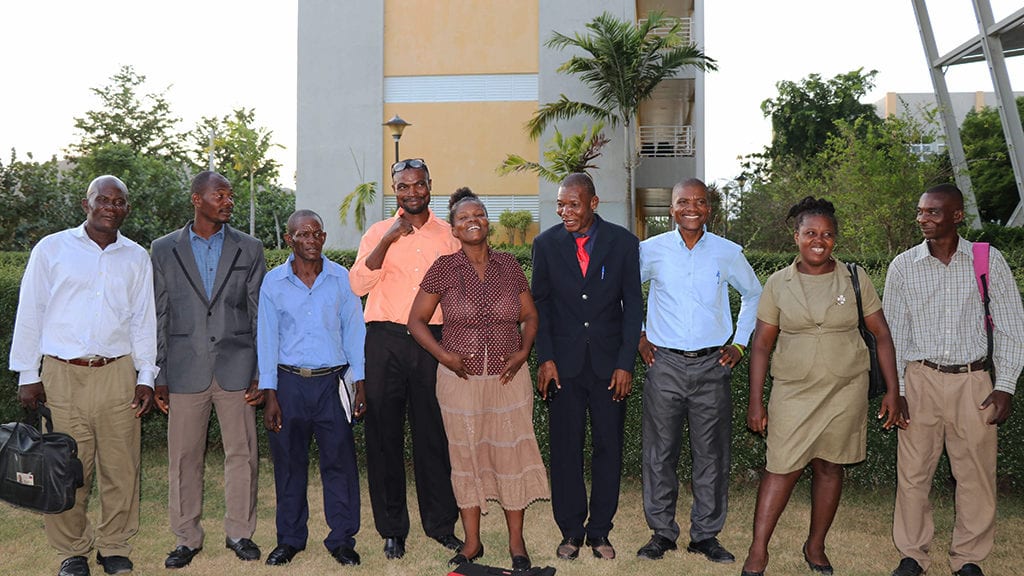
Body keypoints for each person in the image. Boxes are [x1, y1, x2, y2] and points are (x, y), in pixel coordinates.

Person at [740, 196, 903, 576]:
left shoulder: (855, 278)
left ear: (835, 239)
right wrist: (756, 402)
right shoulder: (778, 283)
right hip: (793, 392)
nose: (819, 240)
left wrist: (895, 391)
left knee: (830, 467)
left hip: (845, 390)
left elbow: (881, 335)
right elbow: (762, 344)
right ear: (795, 236)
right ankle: (758, 551)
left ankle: (815, 546)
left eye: (827, 234)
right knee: (780, 468)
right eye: (810, 233)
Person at [9, 175, 157, 576]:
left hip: (118, 374)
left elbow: (144, 320)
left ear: (127, 208)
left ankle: (114, 546)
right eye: (103, 200)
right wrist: (27, 372)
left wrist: (146, 374)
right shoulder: (52, 249)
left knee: (121, 467)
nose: (111, 207)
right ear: (85, 204)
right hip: (62, 374)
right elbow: (32, 310)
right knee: (66, 466)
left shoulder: (136, 257)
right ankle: (72, 550)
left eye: (119, 202)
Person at [884, 184, 1024, 576]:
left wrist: (1005, 385)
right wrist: (898, 390)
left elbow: (1013, 326)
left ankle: (969, 559)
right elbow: (894, 335)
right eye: (920, 212)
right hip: (921, 378)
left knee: (976, 473)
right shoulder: (902, 266)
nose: (923, 219)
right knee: (913, 473)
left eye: (933, 212)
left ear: (957, 216)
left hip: (973, 381)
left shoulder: (987, 260)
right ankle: (912, 555)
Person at [407, 188, 550, 571]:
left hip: (508, 380)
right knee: (465, 455)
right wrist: (444, 356)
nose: (472, 221)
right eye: (463, 217)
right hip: (459, 382)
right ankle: (472, 544)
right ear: (453, 229)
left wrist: (523, 352)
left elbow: (530, 317)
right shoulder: (443, 268)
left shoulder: (510, 266)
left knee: (510, 454)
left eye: (479, 214)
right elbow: (415, 321)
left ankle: (516, 543)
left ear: (488, 222)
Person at [636, 179, 761, 564]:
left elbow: (754, 292)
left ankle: (705, 535)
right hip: (665, 365)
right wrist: (638, 334)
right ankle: (662, 533)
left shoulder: (727, 252)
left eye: (700, 202)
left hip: (712, 365)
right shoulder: (649, 250)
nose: (692, 208)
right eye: (683, 202)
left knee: (712, 455)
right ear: (671, 209)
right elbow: (623, 293)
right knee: (660, 453)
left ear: (710, 209)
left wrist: (740, 342)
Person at [150, 171, 266, 568]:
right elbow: (160, 313)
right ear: (197, 199)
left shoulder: (249, 248)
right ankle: (187, 537)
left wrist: (260, 371)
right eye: (221, 194)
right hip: (183, 369)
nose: (229, 201)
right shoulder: (164, 249)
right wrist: (158, 373)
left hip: (238, 367)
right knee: (184, 457)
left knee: (243, 454)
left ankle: (240, 532)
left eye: (231, 195)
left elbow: (257, 314)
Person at [349, 158, 463, 559]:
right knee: (383, 437)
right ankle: (392, 529)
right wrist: (389, 239)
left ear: (430, 186)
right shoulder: (378, 232)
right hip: (384, 340)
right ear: (393, 190)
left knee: (433, 435)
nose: (411, 193)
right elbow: (358, 283)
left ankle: (441, 525)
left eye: (418, 186)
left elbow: (461, 291)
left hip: (432, 340)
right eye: (403, 187)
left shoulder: (449, 235)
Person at [531, 172, 643, 561]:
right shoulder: (544, 245)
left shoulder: (624, 243)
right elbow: (539, 307)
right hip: (563, 366)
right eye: (560, 204)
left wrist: (625, 363)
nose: (565, 211)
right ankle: (571, 531)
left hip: (609, 367)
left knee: (608, 449)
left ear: (593, 203)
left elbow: (633, 310)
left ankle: (600, 532)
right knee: (565, 450)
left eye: (573, 204)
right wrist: (545, 358)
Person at [257, 210, 367, 567]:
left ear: (324, 237)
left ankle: (342, 539)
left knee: (340, 464)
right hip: (288, 384)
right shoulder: (273, 282)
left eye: (317, 234)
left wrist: (360, 383)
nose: (311, 240)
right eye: (303, 234)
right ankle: (289, 539)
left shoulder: (341, 278)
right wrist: (270, 393)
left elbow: (354, 333)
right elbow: (267, 339)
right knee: (289, 464)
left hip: (332, 384)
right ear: (289, 240)